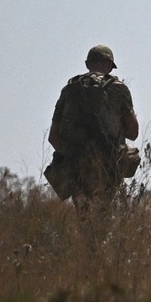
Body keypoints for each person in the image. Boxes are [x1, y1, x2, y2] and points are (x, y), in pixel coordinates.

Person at [44, 45, 141, 204]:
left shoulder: (69, 90)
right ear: (109, 65)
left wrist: (73, 156)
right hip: (109, 165)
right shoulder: (118, 89)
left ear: (87, 64)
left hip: (77, 168)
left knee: (83, 216)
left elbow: (53, 137)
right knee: (106, 214)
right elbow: (133, 132)